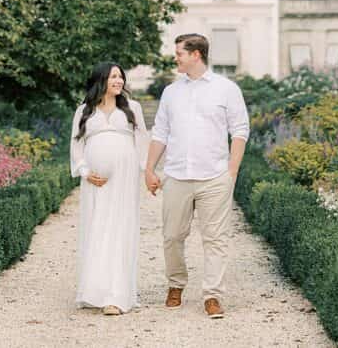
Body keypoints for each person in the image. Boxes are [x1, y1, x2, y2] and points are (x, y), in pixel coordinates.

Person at [145, 33, 250, 319]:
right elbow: (160, 132)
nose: (175, 57)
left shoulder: (226, 89)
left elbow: (240, 130)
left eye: (179, 53)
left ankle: (213, 295)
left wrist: (232, 171)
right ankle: (176, 285)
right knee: (172, 236)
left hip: (215, 177)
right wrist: (149, 168)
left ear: (196, 55)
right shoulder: (171, 92)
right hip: (177, 175)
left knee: (216, 239)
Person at [70, 62, 150, 316]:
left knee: (120, 230)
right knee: (96, 230)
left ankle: (117, 295)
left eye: (120, 77)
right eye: (113, 76)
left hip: (124, 180)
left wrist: (147, 171)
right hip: (94, 181)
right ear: (101, 80)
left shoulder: (132, 108)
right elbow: (76, 146)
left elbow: (142, 142)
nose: (118, 81)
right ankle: (95, 290)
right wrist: (84, 171)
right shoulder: (84, 110)